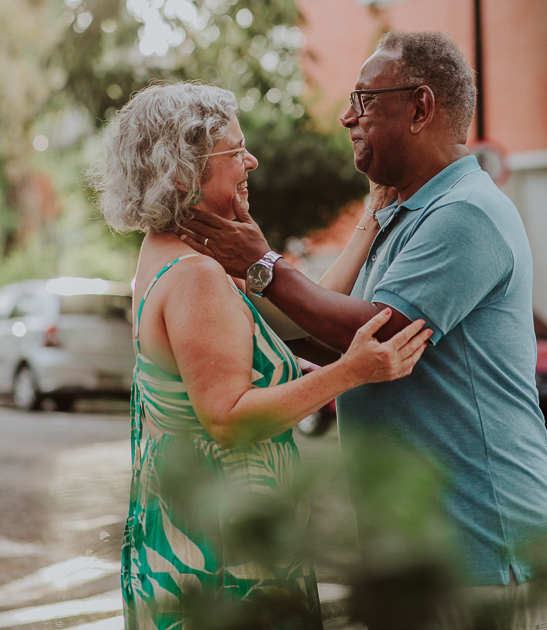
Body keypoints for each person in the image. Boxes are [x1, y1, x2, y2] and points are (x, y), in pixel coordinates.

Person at [181, 32, 547, 629]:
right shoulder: (405, 210)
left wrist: (264, 266)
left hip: (484, 544)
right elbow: (342, 335)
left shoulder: (465, 212)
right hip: (420, 545)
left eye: (364, 100)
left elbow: (380, 332)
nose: (347, 117)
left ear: (420, 108)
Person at [95, 82, 430, 630]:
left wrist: (370, 218)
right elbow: (227, 420)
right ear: (183, 173)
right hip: (224, 552)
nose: (251, 161)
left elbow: (294, 313)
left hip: (186, 529)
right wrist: (351, 372)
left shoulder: (170, 251)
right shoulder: (197, 276)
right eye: (235, 152)